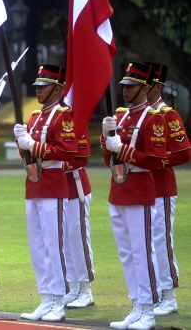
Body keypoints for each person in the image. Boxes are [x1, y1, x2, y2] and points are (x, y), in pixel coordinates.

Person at [102, 62, 165, 330]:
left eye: (131, 86)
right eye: (124, 86)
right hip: (118, 188)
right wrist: (107, 141)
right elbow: (109, 159)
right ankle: (137, 305)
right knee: (126, 253)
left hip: (139, 189)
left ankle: (149, 312)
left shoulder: (153, 118)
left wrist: (123, 150)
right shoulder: (123, 116)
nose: (125, 90)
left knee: (142, 252)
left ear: (145, 88)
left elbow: (156, 160)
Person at [15, 65, 77, 322]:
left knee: (54, 245)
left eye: (44, 86)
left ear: (58, 89)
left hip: (53, 182)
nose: (38, 90)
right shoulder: (35, 116)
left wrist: (34, 145)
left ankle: (58, 301)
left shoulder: (63, 116)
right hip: (35, 183)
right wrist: (22, 144)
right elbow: (28, 154)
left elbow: (66, 151)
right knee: (38, 247)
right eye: (37, 86)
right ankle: (46, 298)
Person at [144, 62, 191, 316]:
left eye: (146, 85)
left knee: (161, 240)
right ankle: (153, 291)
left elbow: (184, 152)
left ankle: (168, 295)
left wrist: (160, 161)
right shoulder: (138, 113)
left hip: (161, 186)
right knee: (145, 242)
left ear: (158, 86)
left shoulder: (167, 114)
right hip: (139, 187)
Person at [61, 109, 95, 308]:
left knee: (78, 239)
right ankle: (73, 287)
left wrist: (50, 164)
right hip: (56, 188)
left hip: (75, 186)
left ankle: (86, 289)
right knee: (65, 241)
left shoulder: (75, 120)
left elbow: (81, 157)